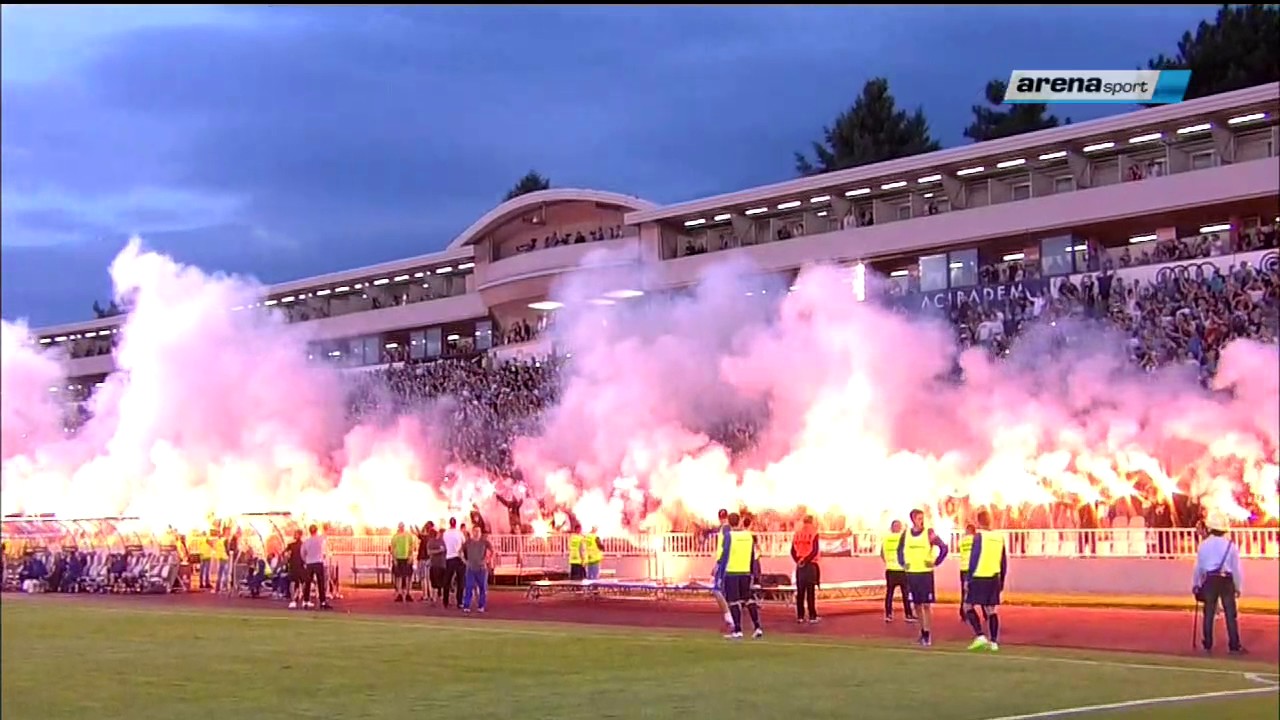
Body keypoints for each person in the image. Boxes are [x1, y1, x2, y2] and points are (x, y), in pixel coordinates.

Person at [1193, 514, 1246, 655]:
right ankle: (1234, 645)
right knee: (1230, 614)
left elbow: (1199, 567)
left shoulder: (1203, 545)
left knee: (1209, 613)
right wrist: (1238, 586)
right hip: (1226, 581)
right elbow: (1236, 568)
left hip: (1210, 580)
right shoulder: (1230, 546)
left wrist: (1196, 584)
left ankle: (1208, 643)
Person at [897, 509, 948, 646]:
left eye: (922, 518)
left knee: (926, 604)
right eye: (919, 518)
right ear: (913, 519)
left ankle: (928, 634)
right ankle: (923, 632)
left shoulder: (929, 533)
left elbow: (944, 548)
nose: (922, 520)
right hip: (912, 573)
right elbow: (899, 550)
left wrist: (935, 562)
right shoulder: (906, 534)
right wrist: (903, 563)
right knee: (917, 604)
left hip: (925, 573)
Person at [963, 511, 1007, 652]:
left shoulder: (979, 537)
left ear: (978, 522)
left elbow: (974, 558)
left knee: (967, 606)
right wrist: (1002, 580)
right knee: (991, 610)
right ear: (991, 521)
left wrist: (968, 579)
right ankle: (994, 642)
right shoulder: (999, 537)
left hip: (979, 575)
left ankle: (980, 635)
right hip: (994, 576)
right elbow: (1003, 561)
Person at [715, 512, 763, 640]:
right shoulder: (748, 536)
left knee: (733, 601)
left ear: (729, 523)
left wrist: (719, 575)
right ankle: (757, 627)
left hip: (732, 572)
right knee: (748, 599)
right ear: (739, 521)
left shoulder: (729, 536)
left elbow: (725, 556)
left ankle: (738, 630)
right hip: (745, 572)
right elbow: (752, 556)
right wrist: (753, 572)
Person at [880, 520, 915, 623]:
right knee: (905, 593)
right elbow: (908, 551)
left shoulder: (886, 538)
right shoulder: (903, 537)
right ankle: (908, 615)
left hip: (890, 569)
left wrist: (888, 562)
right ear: (899, 527)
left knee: (889, 593)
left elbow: (882, 553)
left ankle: (888, 615)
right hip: (901, 569)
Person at [790, 515, 821, 624]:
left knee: (800, 592)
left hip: (800, 566)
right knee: (810, 592)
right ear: (812, 521)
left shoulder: (797, 533)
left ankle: (800, 616)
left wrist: (798, 560)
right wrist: (806, 560)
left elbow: (792, 551)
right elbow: (814, 551)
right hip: (810, 565)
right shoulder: (814, 533)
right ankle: (812, 616)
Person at [709, 509, 734, 631]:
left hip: (723, 563)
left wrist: (718, 564)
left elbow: (725, 548)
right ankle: (730, 619)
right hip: (724, 563)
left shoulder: (725, 529)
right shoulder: (726, 529)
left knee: (717, 590)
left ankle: (730, 619)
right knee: (723, 592)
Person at [460, 525, 494, 613]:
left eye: (478, 531)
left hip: (481, 569)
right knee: (469, 587)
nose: (476, 533)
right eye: (475, 531)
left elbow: (492, 552)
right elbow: (460, 552)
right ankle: (466, 605)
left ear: (480, 532)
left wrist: (487, 560)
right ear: (472, 532)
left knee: (482, 587)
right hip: (470, 568)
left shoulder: (485, 542)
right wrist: (465, 561)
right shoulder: (468, 542)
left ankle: (481, 606)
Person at [300, 524, 331, 610]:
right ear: (316, 530)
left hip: (309, 563)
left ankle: (305, 601)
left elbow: (302, 553)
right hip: (318, 562)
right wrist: (325, 528)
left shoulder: (307, 541)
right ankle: (322, 602)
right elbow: (325, 535)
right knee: (321, 583)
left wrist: (305, 560)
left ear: (310, 531)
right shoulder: (320, 539)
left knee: (308, 583)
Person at [441, 517, 466, 609]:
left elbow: (444, 544)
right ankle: (459, 602)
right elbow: (464, 544)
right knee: (460, 581)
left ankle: (445, 601)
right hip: (458, 558)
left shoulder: (446, 533)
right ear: (455, 523)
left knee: (447, 580)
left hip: (449, 558)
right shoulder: (459, 533)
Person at [389, 522, 415, 603]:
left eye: (403, 526)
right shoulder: (395, 537)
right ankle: (399, 593)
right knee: (399, 577)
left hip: (407, 558)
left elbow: (412, 546)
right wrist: (394, 559)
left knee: (408, 576)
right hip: (398, 558)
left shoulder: (408, 535)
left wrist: (411, 556)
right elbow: (392, 548)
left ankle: (408, 593)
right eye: (400, 527)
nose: (402, 528)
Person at [957, 522, 976, 622]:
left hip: (963, 568)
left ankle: (962, 612)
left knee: (964, 592)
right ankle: (971, 611)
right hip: (972, 568)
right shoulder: (975, 540)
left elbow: (959, 549)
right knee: (976, 590)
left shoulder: (962, 540)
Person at [425, 527, 447, 604]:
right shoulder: (431, 542)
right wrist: (439, 551)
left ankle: (442, 598)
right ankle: (434, 598)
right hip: (435, 564)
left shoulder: (444, 542)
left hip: (443, 564)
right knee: (434, 582)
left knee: (443, 582)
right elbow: (429, 552)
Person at [285, 529, 305, 609]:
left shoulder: (303, 544)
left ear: (300, 535)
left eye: (296, 534)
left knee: (303, 583)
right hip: (294, 566)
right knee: (293, 583)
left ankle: (302, 598)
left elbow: (305, 555)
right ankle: (293, 600)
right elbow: (286, 554)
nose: (294, 535)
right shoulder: (291, 545)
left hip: (300, 566)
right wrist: (288, 560)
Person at [415, 521, 435, 601]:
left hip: (423, 559)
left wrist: (417, 530)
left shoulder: (426, 537)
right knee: (428, 578)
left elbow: (420, 535)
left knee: (423, 578)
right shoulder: (432, 537)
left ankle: (425, 595)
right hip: (429, 559)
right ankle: (430, 594)